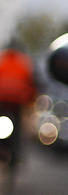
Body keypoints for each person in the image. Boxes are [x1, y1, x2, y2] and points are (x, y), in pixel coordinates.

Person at [0, 40, 37, 174]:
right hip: (17, 102)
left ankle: (4, 147)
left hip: (2, 101)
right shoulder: (25, 62)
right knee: (18, 127)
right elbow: (32, 83)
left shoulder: (1, 60)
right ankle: (15, 150)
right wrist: (31, 98)